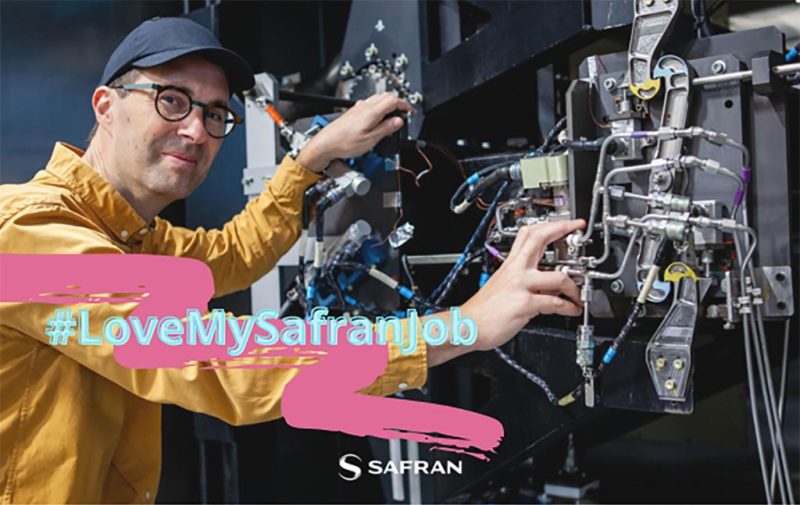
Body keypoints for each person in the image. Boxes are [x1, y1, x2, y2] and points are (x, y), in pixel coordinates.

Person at [0, 17, 583, 503]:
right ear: (106, 105)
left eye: (215, 114)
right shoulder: (30, 233)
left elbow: (232, 254)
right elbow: (217, 361)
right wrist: (462, 326)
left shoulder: (128, 236)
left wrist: (310, 161)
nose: (196, 131)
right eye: (171, 100)